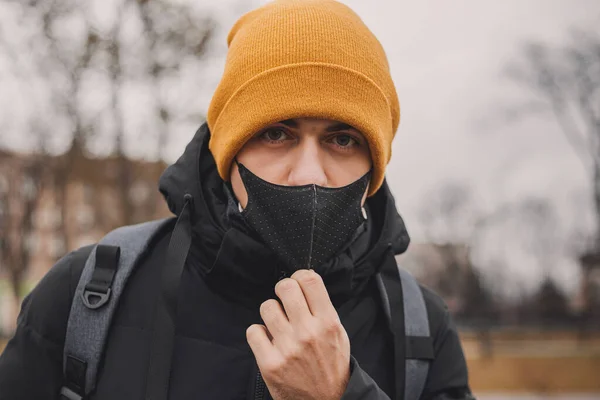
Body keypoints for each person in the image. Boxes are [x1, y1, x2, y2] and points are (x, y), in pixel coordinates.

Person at [0, 1, 474, 399]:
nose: (308, 174)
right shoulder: (86, 296)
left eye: (343, 139)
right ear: (228, 151)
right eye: (275, 132)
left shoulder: (421, 330)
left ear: (376, 163)